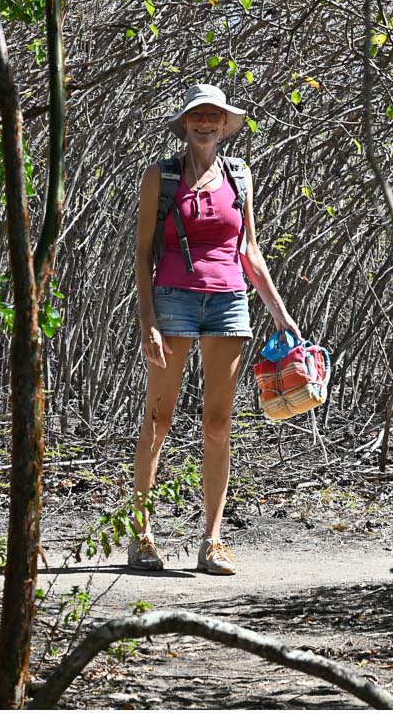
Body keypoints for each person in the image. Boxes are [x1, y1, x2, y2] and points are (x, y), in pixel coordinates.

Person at [125, 83, 298, 575]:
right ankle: (141, 537)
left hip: (228, 303)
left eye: (214, 116)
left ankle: (213, 540)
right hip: (173, 301)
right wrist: (148, 323)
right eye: (197, 115)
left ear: (224, 125)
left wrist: (281, 314)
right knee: (158, 420)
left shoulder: (240, 177)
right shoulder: (160, 176)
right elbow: (142, 255)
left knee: (218, 424)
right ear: (186, 123)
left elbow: (249, 251)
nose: (205, 122)